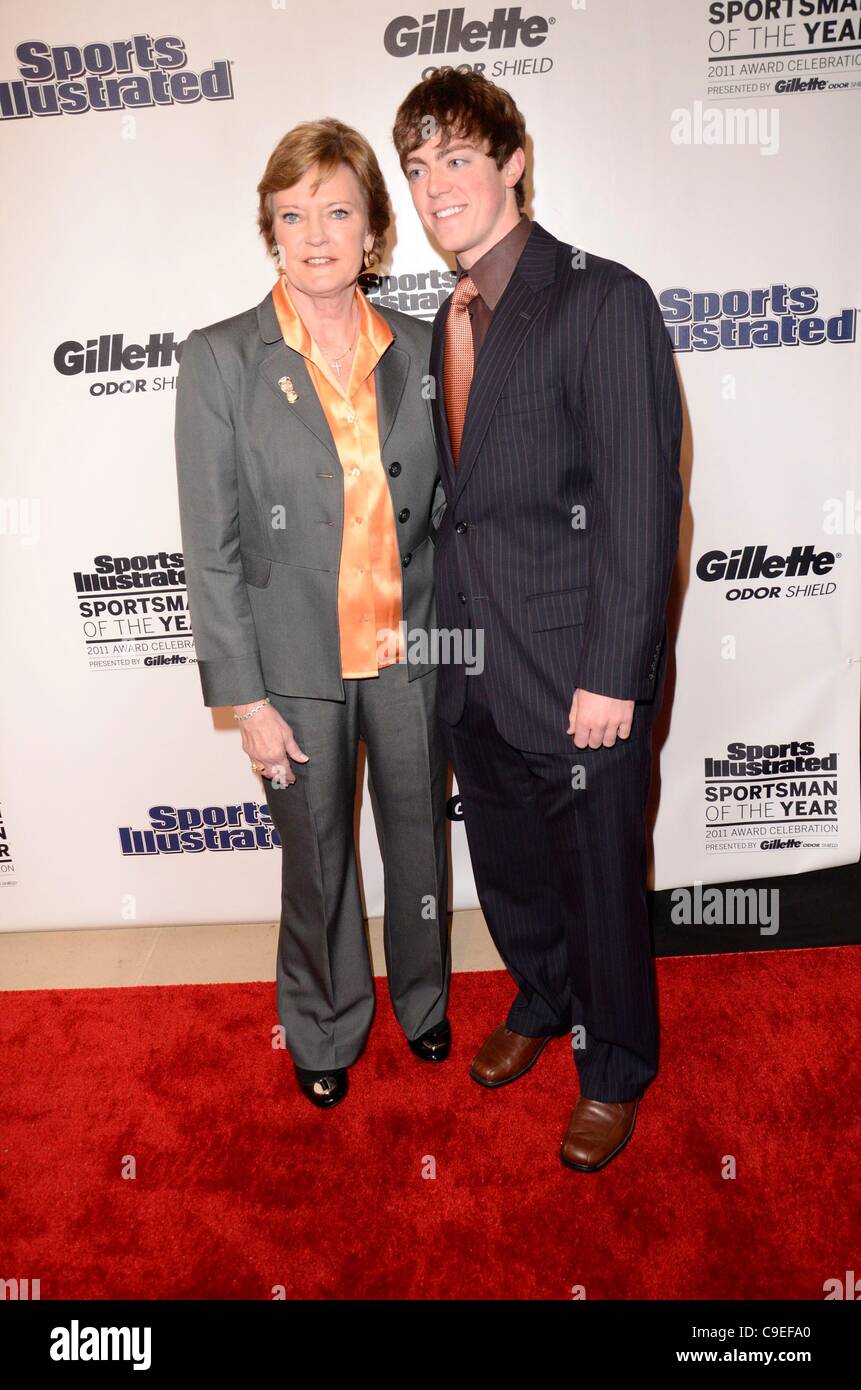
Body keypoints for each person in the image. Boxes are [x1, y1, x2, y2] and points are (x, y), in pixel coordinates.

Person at [393, 71, 683, 1170]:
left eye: (456, 159)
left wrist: (614, 670)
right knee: (510, 873)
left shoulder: (602, 298)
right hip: (476, 669)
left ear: (514, 163)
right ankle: (540, 998)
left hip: (576, 677)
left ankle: (614, 1065)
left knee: (602, 885)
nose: (434, 187)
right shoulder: (448, 321)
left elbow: (641, 502)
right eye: (418, 170)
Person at [174, 119, 450, 1110]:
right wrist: (244, 698)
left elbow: (455, 514)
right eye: (293, 214)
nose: (316, 232)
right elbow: (212, 545)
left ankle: (424, 1001)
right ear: (272, 231)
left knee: (419, 839)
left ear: (374, 229)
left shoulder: (422, 349)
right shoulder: (219, 362)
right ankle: (325, 1019)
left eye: (337, 210)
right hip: (294, 662)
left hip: (410, 650)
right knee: (318, 858)